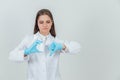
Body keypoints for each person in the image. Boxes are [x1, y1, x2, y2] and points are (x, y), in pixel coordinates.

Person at [9, 9, 81, 80]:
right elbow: (11, 56)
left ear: (51, 23)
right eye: (41, 22)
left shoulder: (56, 41)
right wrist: (26, 52)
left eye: (48, 22)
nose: (45, 25)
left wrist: (62, 46)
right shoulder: (29, 40)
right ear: (37, 23)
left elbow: (77, 48)